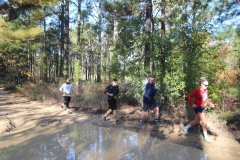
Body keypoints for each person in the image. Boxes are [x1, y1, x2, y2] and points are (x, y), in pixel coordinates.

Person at [184, 77, 214, 142]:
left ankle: (186, 128)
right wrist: (192, 104)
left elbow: (206, 99)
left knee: (196, 121)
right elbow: (189, 96)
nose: (207, 86)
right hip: (198, 108)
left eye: (207, 85)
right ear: (201, 84)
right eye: (205, 85)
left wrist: (210, 103)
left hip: (202, 108)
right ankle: (206, 137)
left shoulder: (206, 91)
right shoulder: (197, 91)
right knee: (204, 122)